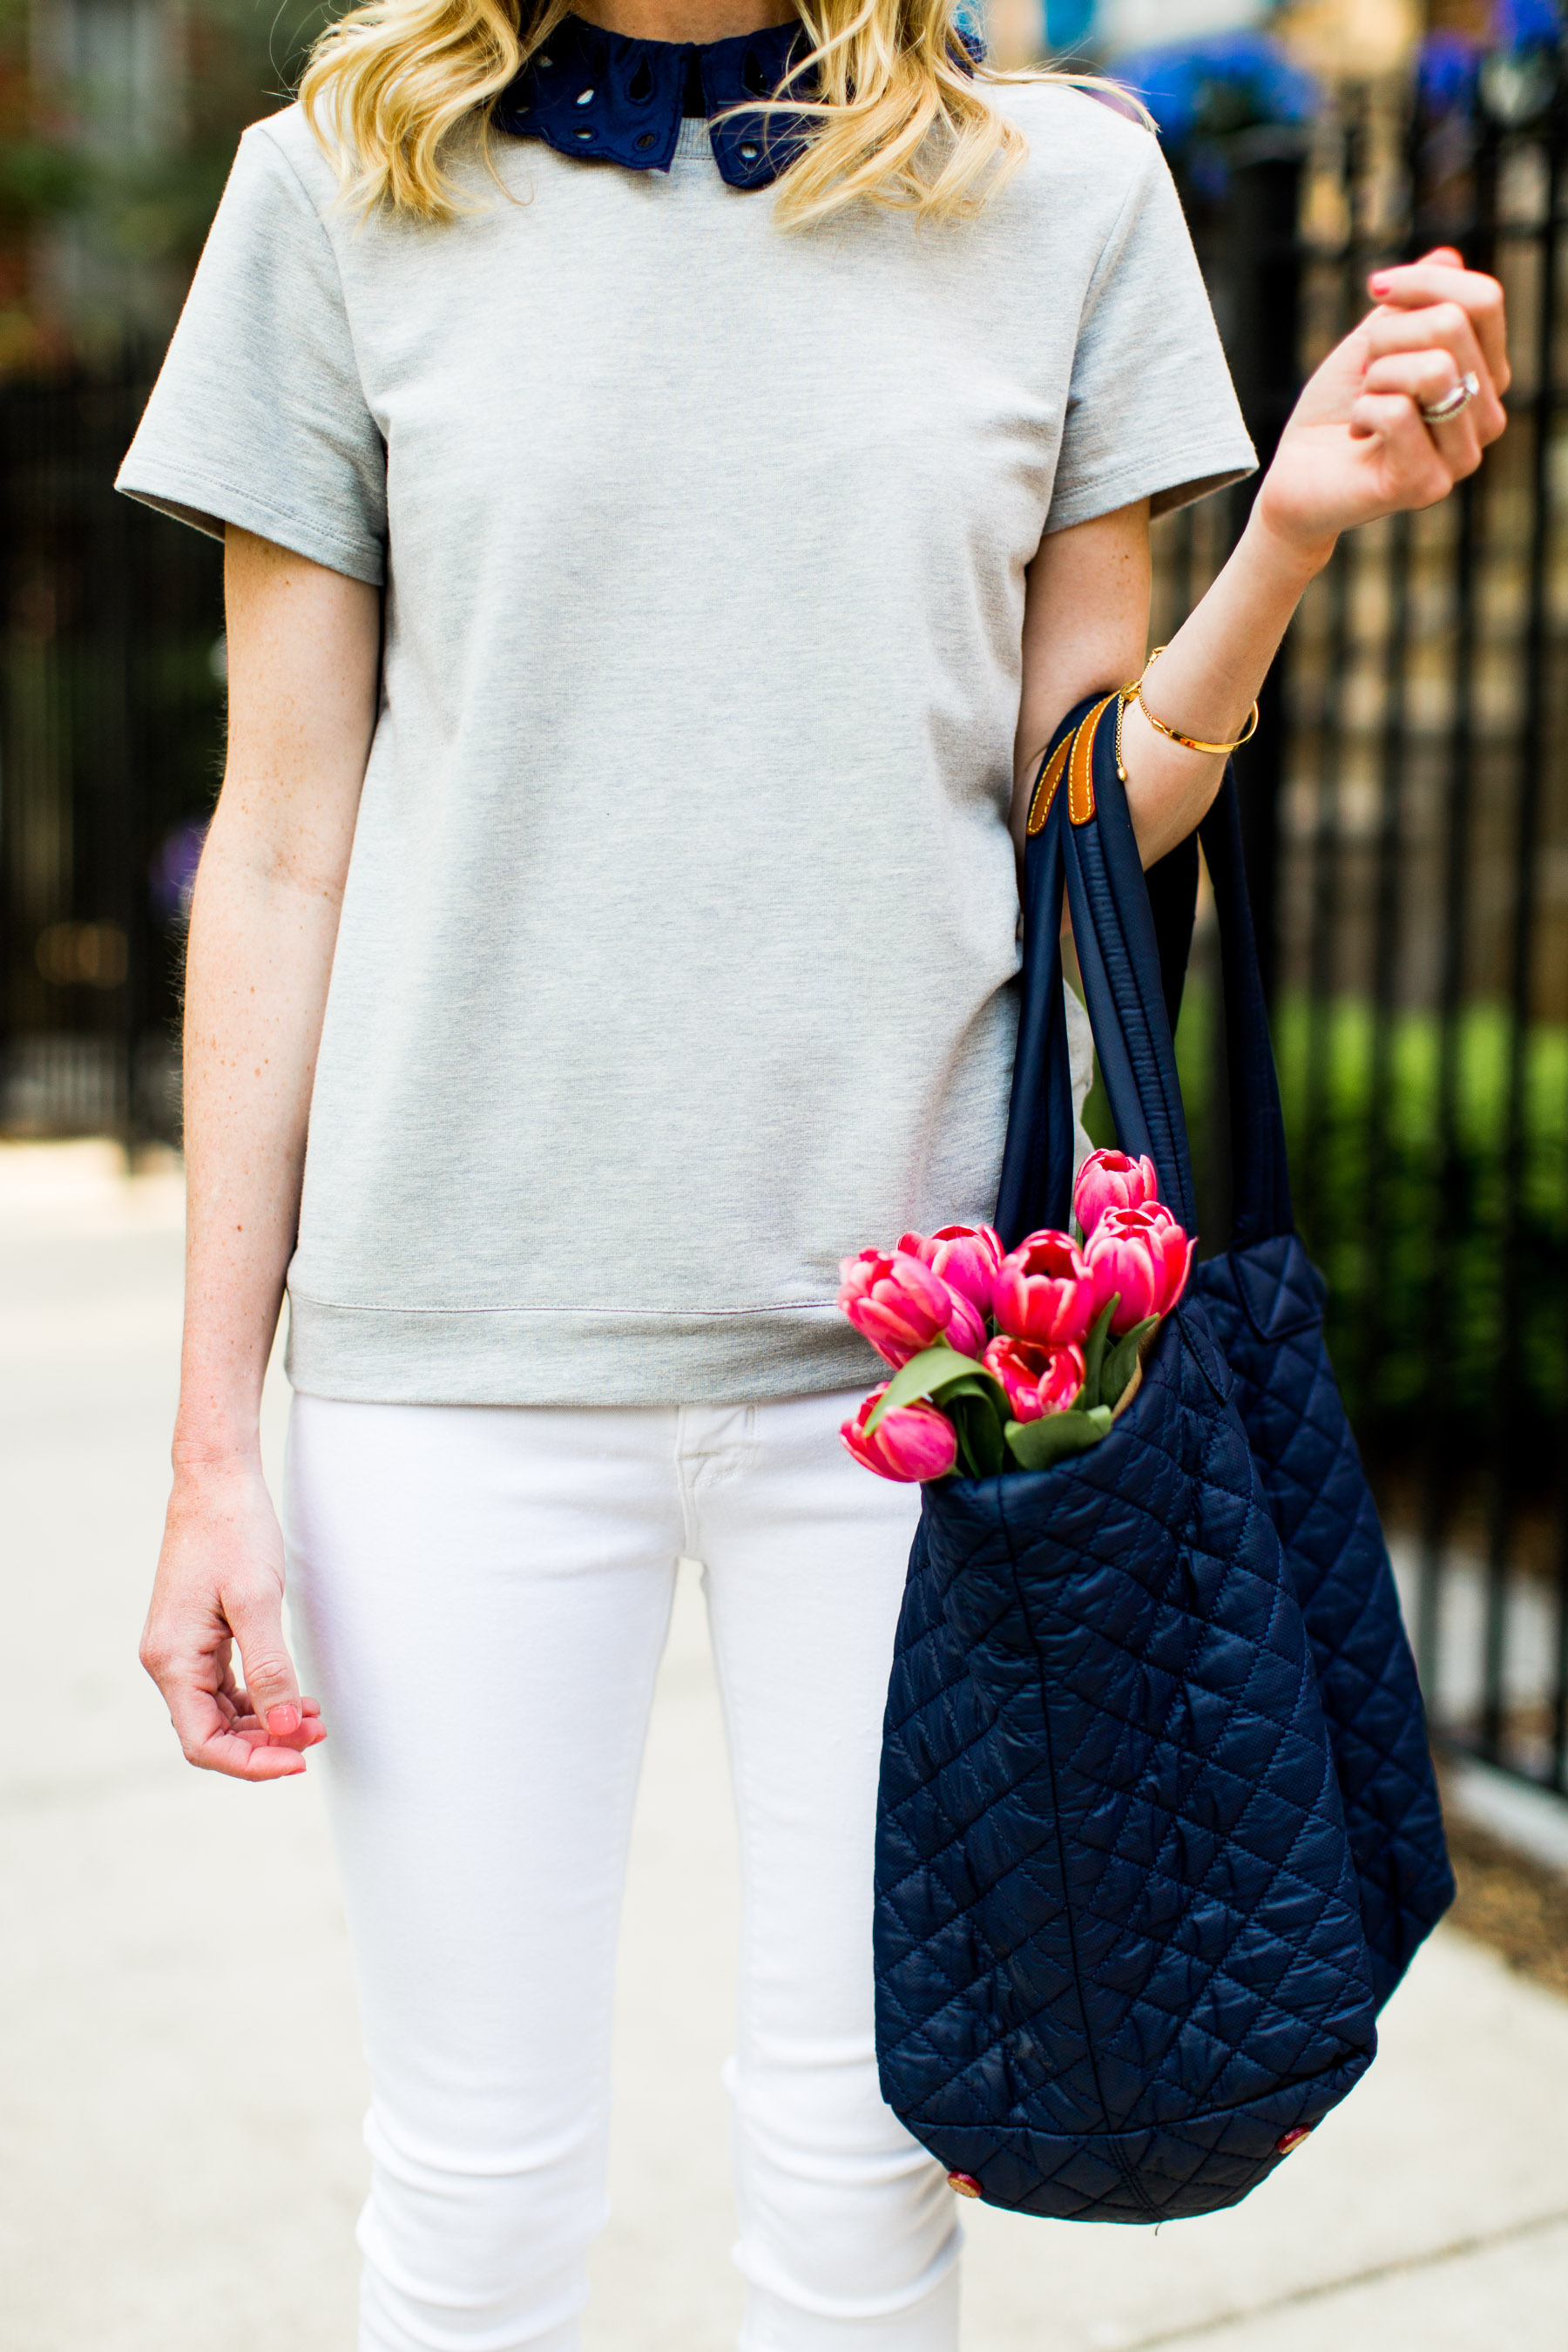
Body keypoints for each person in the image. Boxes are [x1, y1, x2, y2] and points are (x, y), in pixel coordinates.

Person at [120, 0, 1509, 2341]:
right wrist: (205, 1448)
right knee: (469, 2191)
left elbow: (1078, 809)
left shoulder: (1063, 189)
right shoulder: (338, 185)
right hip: (457, 1343)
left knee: (868, 2182)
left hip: (931, 1368)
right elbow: (278, 842)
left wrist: (1280, 545)